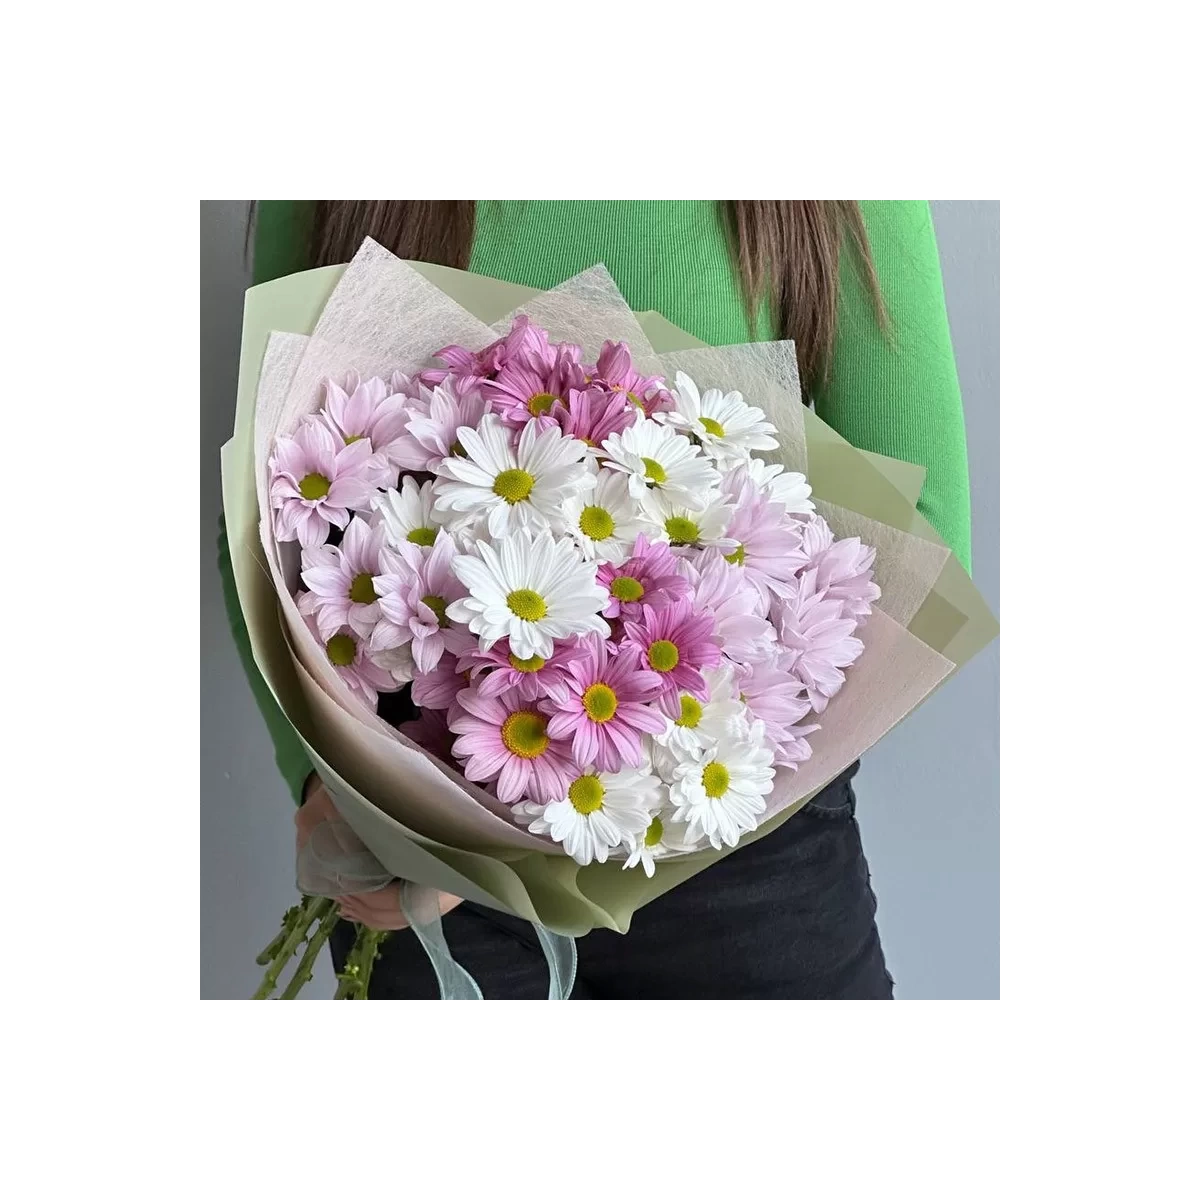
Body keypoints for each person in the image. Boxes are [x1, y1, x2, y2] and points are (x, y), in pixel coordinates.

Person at [219, 200, 971, 999]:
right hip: (423, 870)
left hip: (742, 848)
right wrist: (334, 790)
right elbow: (268, 500)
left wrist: (670, 766)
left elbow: (917, 538)